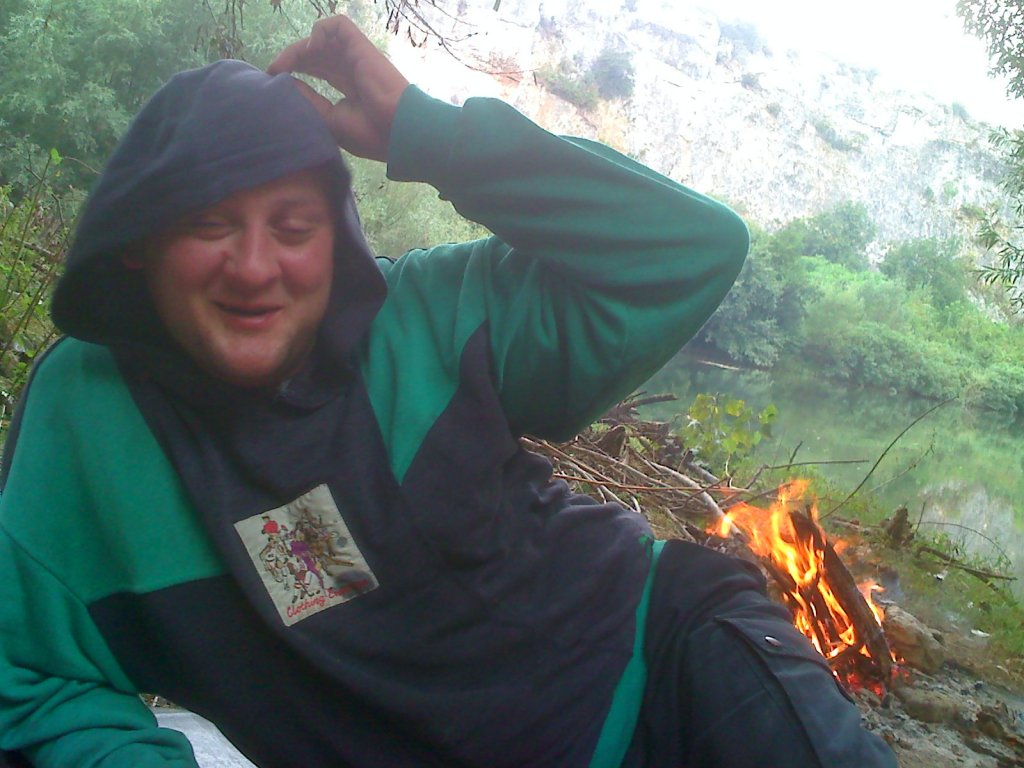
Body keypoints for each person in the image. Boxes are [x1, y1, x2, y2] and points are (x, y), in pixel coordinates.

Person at [0, 15, 895, 768]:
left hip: (667, 667)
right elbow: (27, 682)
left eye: (294, 225)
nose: (255, 267)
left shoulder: (423, 316)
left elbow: (689, 250)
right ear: (137, 242)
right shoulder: (85, 418)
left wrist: (425, 133)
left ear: (337, 237)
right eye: (209, 222)